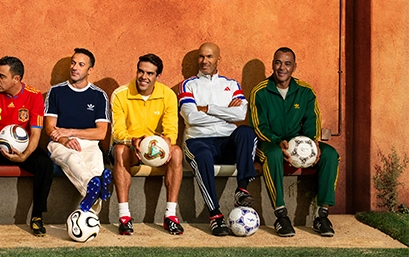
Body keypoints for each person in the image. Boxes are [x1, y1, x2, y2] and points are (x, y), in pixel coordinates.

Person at [250, 47, 339, 237]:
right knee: (273, 154)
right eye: (278, 62)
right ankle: (281, 215)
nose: (282, 68)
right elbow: (259, 126)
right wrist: (277, 141)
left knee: (331, 154)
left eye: (287, 64)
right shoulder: (260, 91)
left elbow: (312, 120)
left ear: (294, 67)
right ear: (272, 64)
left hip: (299, 144)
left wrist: (312, 144)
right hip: (269, 142)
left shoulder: (305, 91)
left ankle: (322, 215)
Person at [179, 42, 258, 236]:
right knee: (203, 157)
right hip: (198, 140)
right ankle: (215, 216)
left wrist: (208, 108)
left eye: (209, 56)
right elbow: (192, 117)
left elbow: (240, 114)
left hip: (227, 141)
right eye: (201, 56)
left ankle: (242, 190)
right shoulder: (188, 85)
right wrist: (226, 113)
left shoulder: (231, 85)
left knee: (247, 132)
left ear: (218, 59)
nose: (204, 61)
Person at [0, 56, 53, 236]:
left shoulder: (34, 95)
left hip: (23, 147)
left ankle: (37, 216)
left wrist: (25, 155)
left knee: (44, 164)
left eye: (2, 76)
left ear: (16, 79)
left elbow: (36, 133)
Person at [110, 53, 184, 236]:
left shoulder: (168, 95)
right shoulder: (120, 94)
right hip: (130, 147)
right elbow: (117, 132)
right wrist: (133, 141)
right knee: (119, 151)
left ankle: (170, 216)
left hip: (156, 150)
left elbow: (171, 130)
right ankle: (124, 217)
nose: (144, 77)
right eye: (141, 71)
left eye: (150, 73)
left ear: (158, 76)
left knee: (176, 152)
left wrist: (166, 143)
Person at [44, 48, 112, 215]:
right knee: (72, 159)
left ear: (90, 70)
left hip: (89, 144)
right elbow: (49, 127)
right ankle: (92, 188)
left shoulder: (99, 96)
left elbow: (101, 133)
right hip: (60, 143)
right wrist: (65, 139)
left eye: (81, 65)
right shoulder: (56, 92)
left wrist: (70, 132)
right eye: (73, 63)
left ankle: (87, 215)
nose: (75, 67)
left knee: (96, 167)